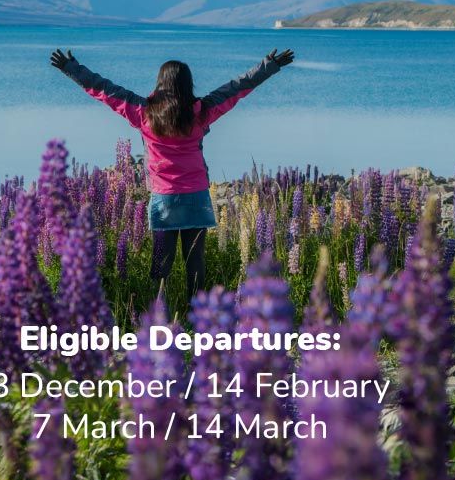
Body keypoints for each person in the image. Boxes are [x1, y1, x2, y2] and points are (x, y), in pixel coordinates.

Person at [50, 46, 295, 299]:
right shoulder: (202, 111)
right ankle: (197, 314)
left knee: (160, 263)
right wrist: (270, 65)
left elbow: (105, 89)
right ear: (188, 84)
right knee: (195, 262)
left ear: (160, 83)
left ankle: (158, 312)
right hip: (197, 196)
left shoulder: (143, 112)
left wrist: (71, 69)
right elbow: (237, 88)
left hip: (164, 197)